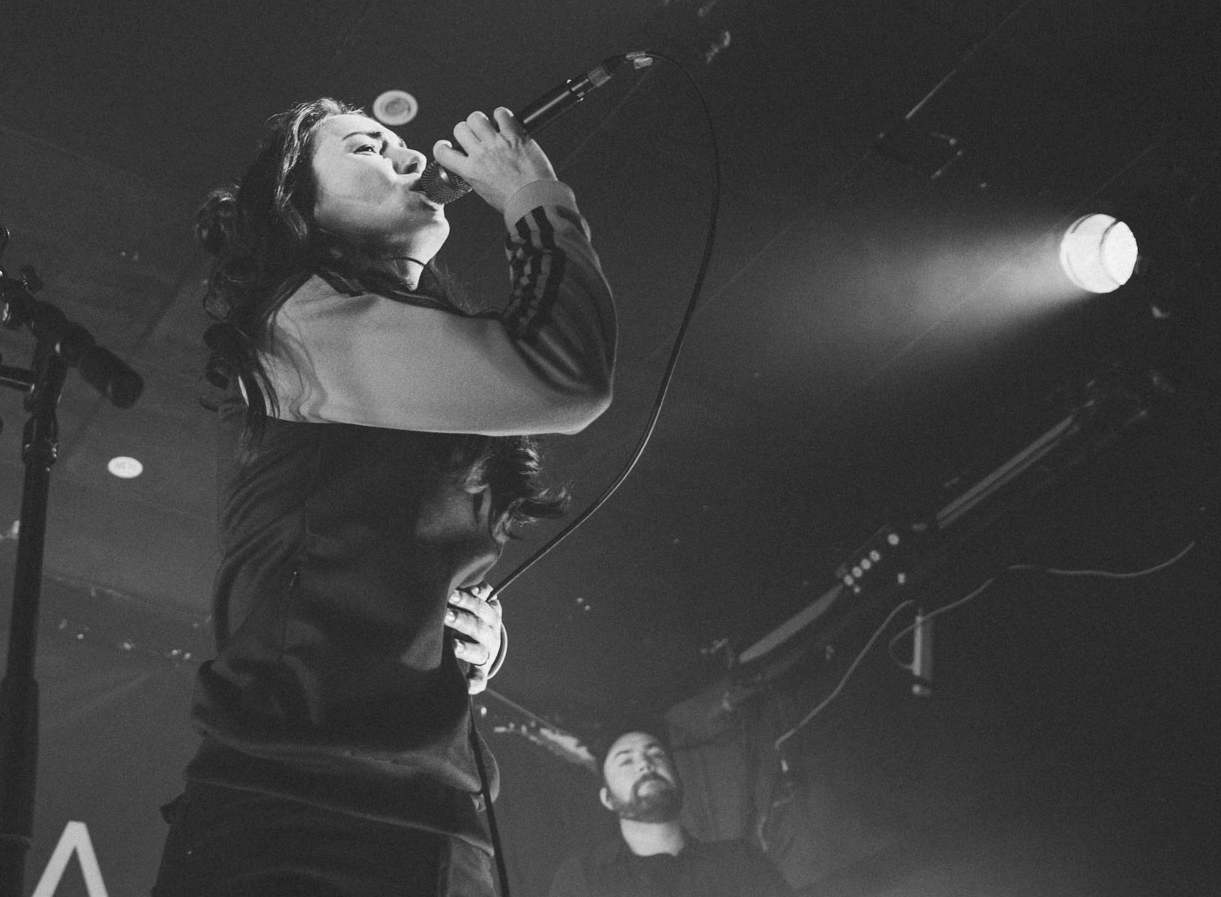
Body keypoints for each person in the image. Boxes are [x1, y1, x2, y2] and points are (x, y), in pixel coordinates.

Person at [152, 98, 616, 896]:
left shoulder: (410, 352)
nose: (405, 155)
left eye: (399, 142)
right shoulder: (296, 321)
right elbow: (565, 372)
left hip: (436, 805)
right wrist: (529, 193)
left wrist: (467, 631)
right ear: (300, 209)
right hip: (291, 804)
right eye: (367, 145)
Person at [547, 730, 794, 897]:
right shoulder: (582, 878)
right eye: (625, 761)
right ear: (607, 799)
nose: (645, 764)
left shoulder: (741, 862)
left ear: (678, 779)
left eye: (656, 754)